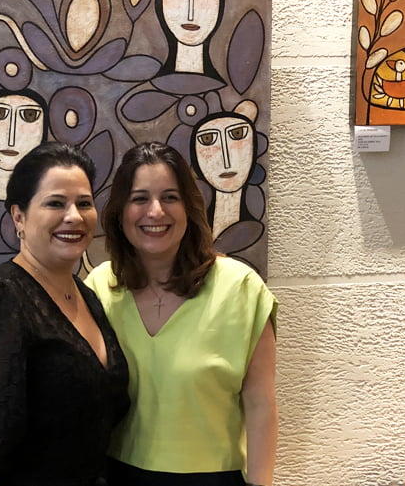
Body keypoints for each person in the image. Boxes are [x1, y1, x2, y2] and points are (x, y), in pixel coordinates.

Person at [0, 142, 130, 486]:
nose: (74, 216)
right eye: (55, 203)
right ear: (18, 216)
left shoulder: (88, 298)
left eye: (84, 203)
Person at [86, 142, 278, 486]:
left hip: (214, 478)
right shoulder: (99, 288)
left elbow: (261, 405)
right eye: (139, 198)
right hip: (116, 475)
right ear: (120, 212)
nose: (155, 211)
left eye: (170, 197)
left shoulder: (241, 288)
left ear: (189, 207)